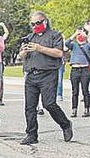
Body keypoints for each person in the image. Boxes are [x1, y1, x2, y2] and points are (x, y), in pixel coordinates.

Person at [19, 11, 72, 145]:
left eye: (38, 23)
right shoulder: (30, 37)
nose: (35, 26)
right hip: (31, 74)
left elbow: (59, 53)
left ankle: (65, 124)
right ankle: (31, 134)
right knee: (30, 107)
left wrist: (39, 48)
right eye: (32, 24)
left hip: (48, 74)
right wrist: (24, 51)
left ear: (45, 22)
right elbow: (21, 55)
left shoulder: (55, 35)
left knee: (49, 104)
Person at [65, 26, 90, 118]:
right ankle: (74, 109)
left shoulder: (87, 45)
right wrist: (75, 33)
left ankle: (86, 109)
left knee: (85, 90)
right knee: (74, 91)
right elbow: (67, 43)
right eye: (79, 35)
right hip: (75, 69)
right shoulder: (74, 45)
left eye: (81, 34)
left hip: (85, 69)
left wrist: (87, 36)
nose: (80, 36)